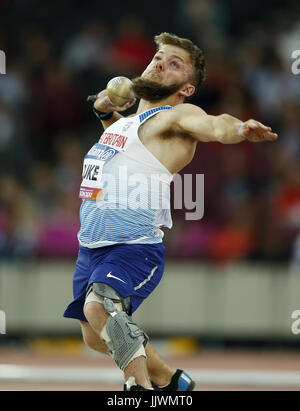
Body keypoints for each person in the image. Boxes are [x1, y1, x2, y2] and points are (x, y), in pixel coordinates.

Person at [63, 32, 278, 391]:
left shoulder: (176, 117)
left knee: (100, 306)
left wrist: (238, 128)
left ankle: (141, 391)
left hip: (133, 247)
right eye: (159, 56)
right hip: (90, 248)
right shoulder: (128, 124)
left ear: (187, 88)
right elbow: (121, 146)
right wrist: (104, 111)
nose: (161, 63)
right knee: (94, 336)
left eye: (175, 64)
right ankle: (169, 380)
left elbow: (212, 124)